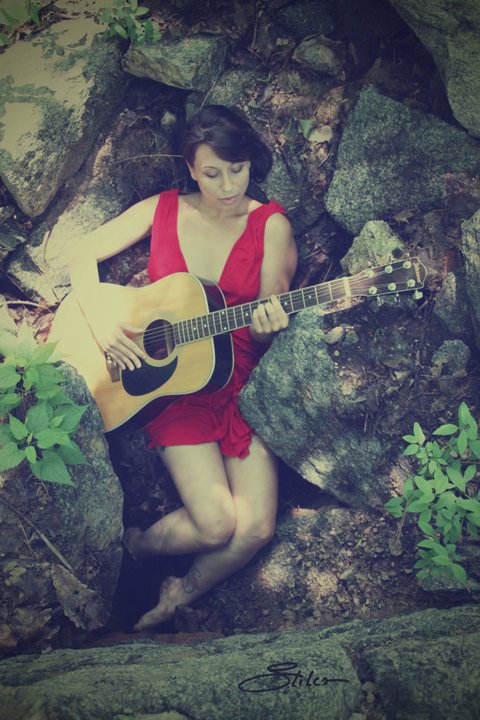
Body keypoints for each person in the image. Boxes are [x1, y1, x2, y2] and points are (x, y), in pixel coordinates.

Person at [68, 105, 297, 631]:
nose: (227, 185)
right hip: (173, 386)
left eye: (237, 169)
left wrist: (268, 323)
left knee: (255, 528)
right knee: (216, 524)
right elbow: (82, 255)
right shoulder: (163, 209)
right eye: (212, 173)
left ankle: (178, 593)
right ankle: (140, 545)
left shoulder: (271, 224)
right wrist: (101, 317)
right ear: (191, 168)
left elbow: (266, 322)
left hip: (240, 384)